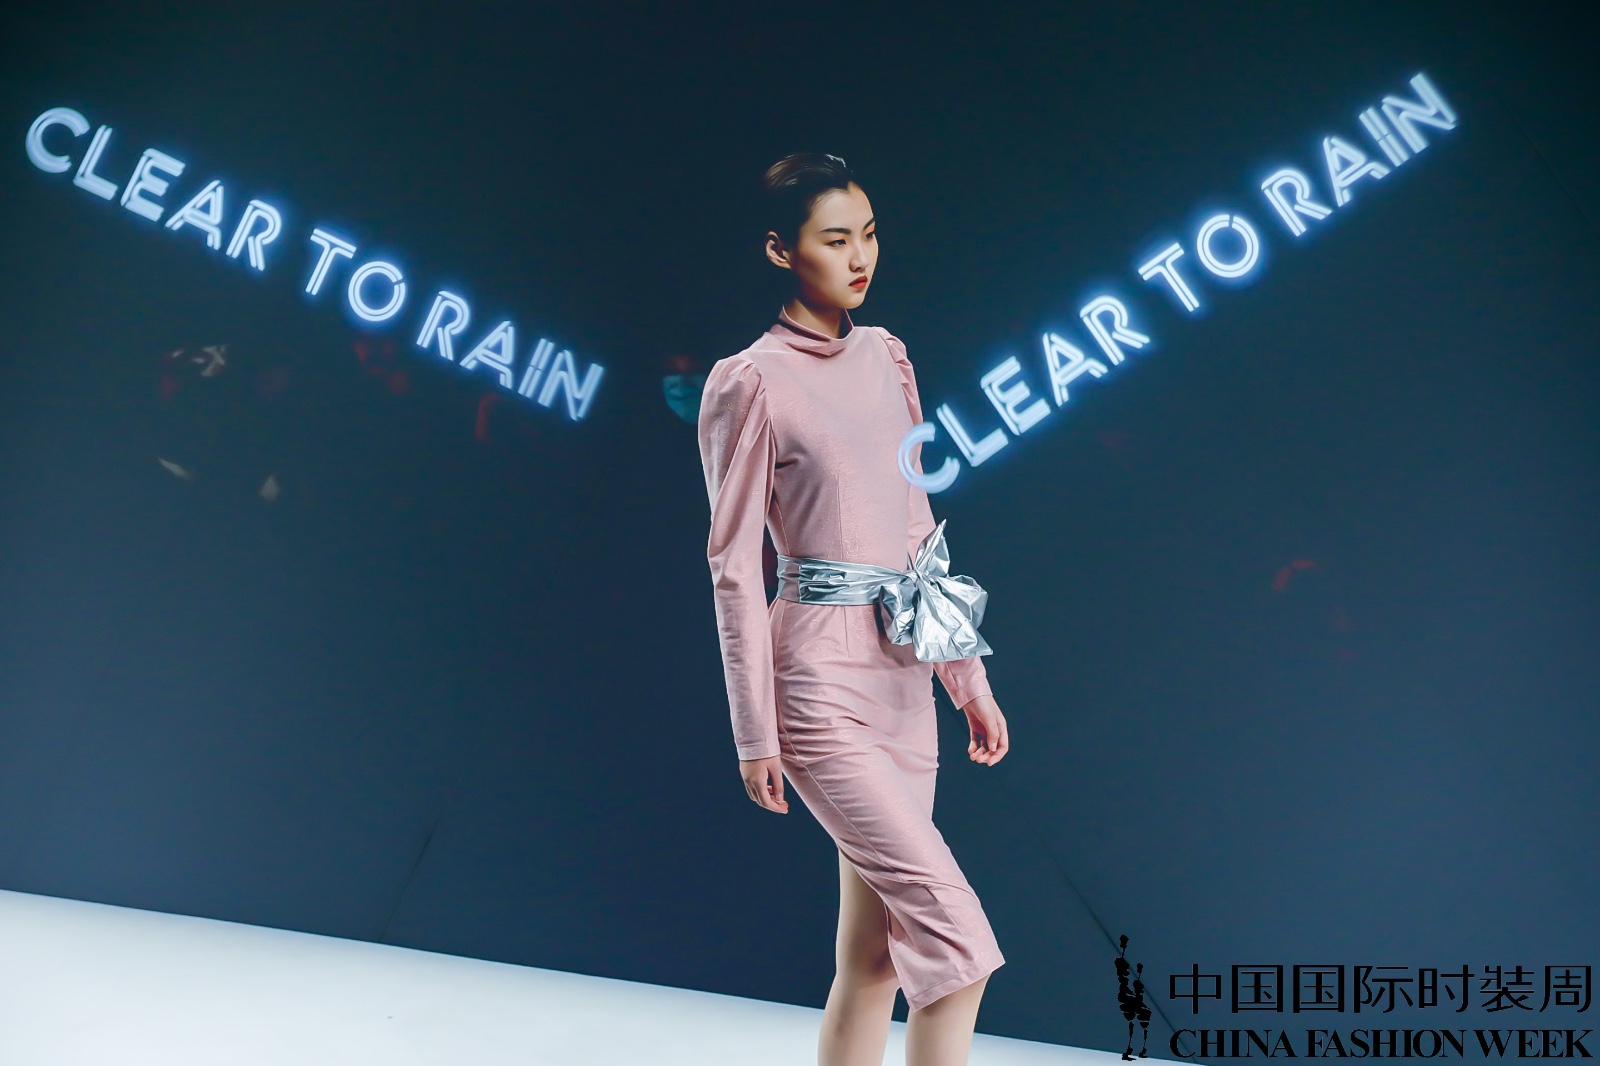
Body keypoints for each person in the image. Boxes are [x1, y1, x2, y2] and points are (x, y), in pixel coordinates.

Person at [696, 152, 1010, 1066]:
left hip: (905, 678)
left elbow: (916, 529)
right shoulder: (749, 380)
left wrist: (966, 678)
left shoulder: (888, 357)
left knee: (873, 960)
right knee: (958, 947)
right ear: (779, 250)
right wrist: (754, 731)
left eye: (868, 234)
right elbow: (734, 566)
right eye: (835, 240)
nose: (860, 257)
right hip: (817, 681)